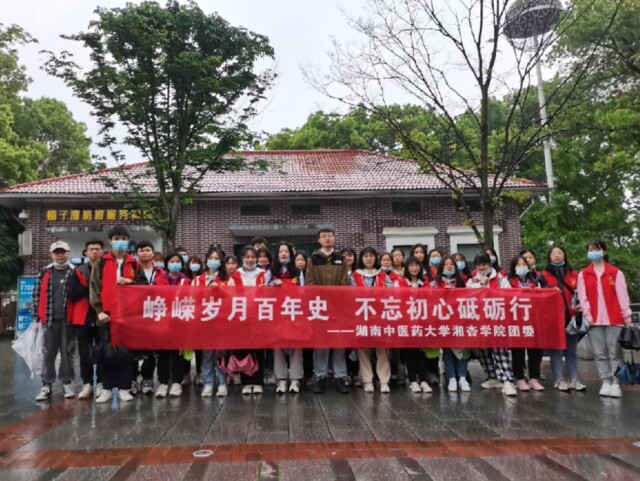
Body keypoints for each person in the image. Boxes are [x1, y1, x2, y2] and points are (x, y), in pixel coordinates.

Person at [578, 240, 633, 398]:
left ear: (604, 251)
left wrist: (627, 316)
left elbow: (622, 296)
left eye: (596, 249)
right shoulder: (584, 274)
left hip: (614, 318)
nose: (593, 252)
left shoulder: (615, 272)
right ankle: (605, 381)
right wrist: (588, 315)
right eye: (590, 250)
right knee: (599, 352)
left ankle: (615, 382)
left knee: (614, 352)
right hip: (594, 320)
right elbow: (583, 297)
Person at [90, 226, 138, 403]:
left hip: (127, 316)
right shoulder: (101, 262)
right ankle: (107, 388)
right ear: (109, 241)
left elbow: (142, 285)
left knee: (125, 354)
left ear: (128, 241)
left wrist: (130, 282)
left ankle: (125, 387)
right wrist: (99, 311)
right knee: (107, 354)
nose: (120, 241)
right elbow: (94, 288)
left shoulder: (134, 263)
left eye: (124, 238)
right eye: (117, 238)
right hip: (106, 315)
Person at [306, 228, 350, 394]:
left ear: (334, 238)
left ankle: (340, 377)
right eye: (324, 237)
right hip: (319, 307)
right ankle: (320, 377)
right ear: (318, 240)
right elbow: (310, 282)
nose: (327, 239)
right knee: (320, 344)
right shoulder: (313, 259)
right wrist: (323, 297)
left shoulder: (341, 259)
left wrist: (336, 297)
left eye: (330, 236)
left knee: (338, 343)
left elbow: (344, 282)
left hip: (338, 307)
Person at [467, 253, 517, 397]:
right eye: (479, 265)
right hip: (480, 321)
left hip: (497, 319)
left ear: (490, 264)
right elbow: (469, 296)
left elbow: (508, 295)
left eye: (484, 264)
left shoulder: (500, 279)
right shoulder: (472, 281)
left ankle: (507, 380)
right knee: (484, 351)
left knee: (500, 351)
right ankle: (492, 377)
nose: (482, 267)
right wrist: (481, 285)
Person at [33, 241, 77, 402]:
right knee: (48, 353)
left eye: (62, 252)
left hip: (68, 320)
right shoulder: (44, 273)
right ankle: (46, 384)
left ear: (68, 253)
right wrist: (36, 317)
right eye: (56, 252)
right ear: (51, 255)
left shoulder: (75, 272)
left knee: (67, 352)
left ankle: (66, 383)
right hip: (49, 320)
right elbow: (36, 295)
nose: (60, 255)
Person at [193, 246, 238, 397]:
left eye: (216, 259)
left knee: (221, 353)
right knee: (207, 354)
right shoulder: (197, 280)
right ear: (206, 260)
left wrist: (219, 289)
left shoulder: (227, 280)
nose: (213, 261)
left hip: (222, 323)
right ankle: (208, 383)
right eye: (211, 258)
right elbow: (191, 298)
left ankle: (222, 383)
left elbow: (233, 299)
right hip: (204, 322)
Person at [541, 244, 586, 393]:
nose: (557, 255)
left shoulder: (574, 273)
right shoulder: (544, 275)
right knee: (557, 350)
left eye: (560, 252)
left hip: (571, 317)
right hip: (554, 317)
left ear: (564, 255)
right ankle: (558, 379)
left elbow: (581, 293)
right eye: (553, 253)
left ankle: (574, 378)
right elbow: (539, 293)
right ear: (549, 257)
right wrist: (549, 289)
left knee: (572, 350)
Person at [66, 239, 104, 400]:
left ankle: (101, 382)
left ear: (102, 251)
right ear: (86, 252)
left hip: (103, 316)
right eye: (91, 249)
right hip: (83, 317)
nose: (94, 252)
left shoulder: (108, 268)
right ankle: (87, 383)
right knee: (84, 353)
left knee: (103, 351)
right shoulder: (78, 271)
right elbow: (72, 293)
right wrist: (91, 288)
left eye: (97, 249)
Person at [351, 247, 393, 393]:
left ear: (376, 258)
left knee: (382, 348)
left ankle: (384, 380)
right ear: (361, 259)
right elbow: (351, 294)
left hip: (380, 316)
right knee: (363, 349)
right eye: (366, 256)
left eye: (371, 256)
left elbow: (391, 292)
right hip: (362, 315)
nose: (369, 258)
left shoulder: (382, 275)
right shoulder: (355, 275)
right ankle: (367, 380)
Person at [267, 242, 304, 394]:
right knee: (278, 347)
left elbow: (303, 291)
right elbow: (264, 291)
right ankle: (281, 379)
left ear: (291, 254)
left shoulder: (297, 271)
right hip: (277, 313)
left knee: (296, 346)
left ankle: (295, 379)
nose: (283, 254)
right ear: (277, 254)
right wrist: (273, 286)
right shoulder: (271, 271)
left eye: (286, 252)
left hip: (294, 313)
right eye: (281, 251)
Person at [153, 252, 190, 398]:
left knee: (178, 353)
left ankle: (176, 382)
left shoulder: (186, 281)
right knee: (163, 353)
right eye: (172, 261)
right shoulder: (159, 280)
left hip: (180, 321)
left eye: (177, 261)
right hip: (163, 320)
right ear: (167, 264)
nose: (175, 264)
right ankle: (163, 382)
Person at [432, 256, 471, 393]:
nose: (449, 267)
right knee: (447, 349)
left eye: (451, 264)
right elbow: (430, 298)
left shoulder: (461, 282)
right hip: (443, 320)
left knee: (463, 349)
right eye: (446, 264)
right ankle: (452, 378)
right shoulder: (435, 282)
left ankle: (462, 377)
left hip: (460, 319)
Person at [130, 240, 163, 395]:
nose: (144, 253)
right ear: (137, 253)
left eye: (147, 250)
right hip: (134, 314)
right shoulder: (131, 270)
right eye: (141, 250)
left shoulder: (160, 272)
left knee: (151, 347)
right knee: (132, 347)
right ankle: (132, 378)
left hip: (154, 313)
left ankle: (148, 378)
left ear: (153, 252)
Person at [508, 256, 544, 392]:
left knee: (535, 350)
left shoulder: (535, 281)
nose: (522, 267)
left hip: (533, 320)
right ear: (514, 268)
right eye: (518, 265)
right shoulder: (510, 283)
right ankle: (520, 378)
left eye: (524, 264)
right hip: (516, 320)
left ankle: (534, 378)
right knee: (518, 350)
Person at [397, 256, 431, 393]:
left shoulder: (425, 282)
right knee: (409, 352)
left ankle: (423, 379)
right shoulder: (400, 282)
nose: (414, 268)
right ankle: (412, 380)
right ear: (406, 268)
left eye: (416, 265)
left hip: (422, 321)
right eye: (411, 265)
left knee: (422, 352)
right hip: (406, 321)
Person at [235, 246, 267, 395]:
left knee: (259, 349)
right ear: (242, 258)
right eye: (247, 257)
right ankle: (246, 381)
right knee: (244, 350)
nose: (250, 260)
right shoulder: (235, 275)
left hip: (259, 316)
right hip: (241, 317)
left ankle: (258, 381)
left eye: (253, 257)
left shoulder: (263, 274)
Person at [182, 255, 204, 388]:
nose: (194, 265)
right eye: (192, 262)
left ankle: (199, 373)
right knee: (186, 347)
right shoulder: (184, 279)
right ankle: (186, 373)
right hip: (186, 315)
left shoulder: (203, 279)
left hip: (201, 316)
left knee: (199, 347)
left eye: (197, 263)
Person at [340, 248, 360, 387]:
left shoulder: (359, 273)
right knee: (345, 342)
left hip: (358, 310)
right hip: (342, 312)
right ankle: (346, 372)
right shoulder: (338, 272)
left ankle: (356, 373)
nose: (348, 258)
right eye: (345, 255)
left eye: (350, 255)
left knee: (356, 342)